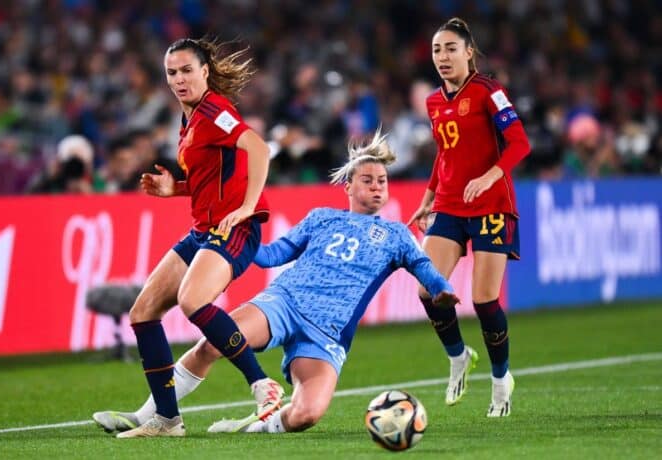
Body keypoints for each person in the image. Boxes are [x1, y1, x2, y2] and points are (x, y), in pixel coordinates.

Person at [92, 130, 459, 435]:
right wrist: (235, 242)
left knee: (307, 415)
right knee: (212, 345)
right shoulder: (321, 218)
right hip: (282, 304)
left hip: (327, 334)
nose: (377, 187)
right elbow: (274, 254)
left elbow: (423, 266)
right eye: (368, 180)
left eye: (382, 181)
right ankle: (151, 414)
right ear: (348, 186)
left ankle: (258, 427)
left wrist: (441, 288)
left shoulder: (396, 234)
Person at [96, 37, 284, 438]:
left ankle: (261, 384)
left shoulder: (215, 110)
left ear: (204, 71)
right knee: (143, 311)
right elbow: (212, 178)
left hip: (234, 230)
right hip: (203, 230)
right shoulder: (191, 119)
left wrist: (249, 206)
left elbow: (259, 149)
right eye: (171, 73)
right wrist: (175, 190)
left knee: (192, 300)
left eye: (186, 71)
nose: (179, 79)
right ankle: (167, 419)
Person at [407, 18, 531, 418]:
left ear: (468, 52)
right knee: (428, 291)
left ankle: (500, 380)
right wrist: (428, 198)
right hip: (449, 204)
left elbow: (519, 143)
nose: (442, 57)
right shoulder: (433, 101)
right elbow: (445, 153)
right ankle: (459, 356)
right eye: (436, 50)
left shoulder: (488, 91)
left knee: (483, 299)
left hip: (492, 204)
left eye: (450, 49)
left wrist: (490, 176)